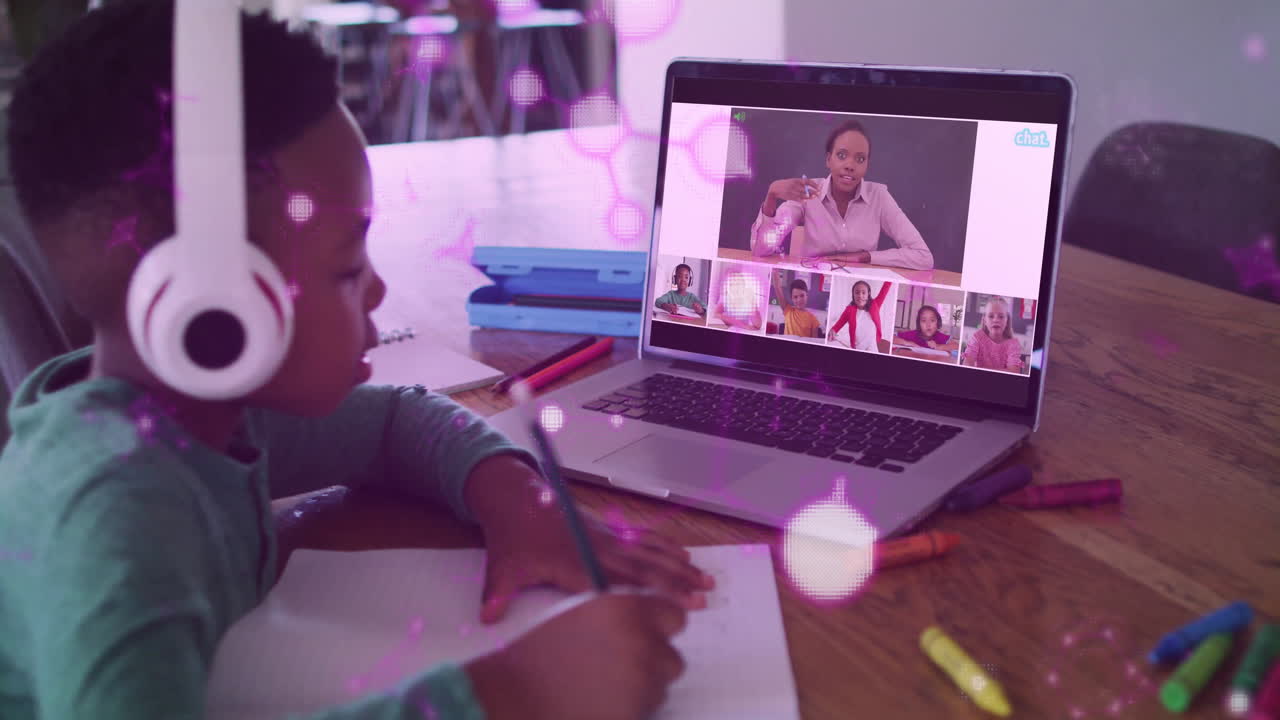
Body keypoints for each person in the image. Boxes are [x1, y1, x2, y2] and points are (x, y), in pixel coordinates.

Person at [0, 4, 711, 720]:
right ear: (215, 312)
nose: (376, 288)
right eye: (346, 268)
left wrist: (518, 505)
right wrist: (511, 694)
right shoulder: (113, 527)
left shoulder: (199, 417)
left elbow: (395, 422)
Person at [749, 119, 934, 270]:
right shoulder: (808, 192)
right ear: (828, 159)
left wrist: (863, 257)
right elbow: (761, 249)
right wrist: (771, 195)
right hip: (814, 282)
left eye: (860, 159)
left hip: (858, 285)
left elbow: (923, 257)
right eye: (842, 155)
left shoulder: (879, 196)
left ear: (867, 165)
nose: (850, 165)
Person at [961, 296, 1025, 373]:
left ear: (1007, 321)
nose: (996, 320)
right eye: (991, 316)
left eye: (1001, 317)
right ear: (984, 320)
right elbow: (967, 363)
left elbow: (1014, 372)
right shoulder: (977, 338)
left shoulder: (1013, 344)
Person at [828, 280, 892, 352]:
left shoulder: (875, 305)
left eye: (863, 293)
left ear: (868, 294)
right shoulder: (849, 310)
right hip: (857, 347)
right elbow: (838, 325)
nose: (860, 296)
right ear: (853, 295)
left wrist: (890, 279)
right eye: (857, 293)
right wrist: (833, 331)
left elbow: (885, 289)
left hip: (872, 346)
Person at [769, 270, 823, 338]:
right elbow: (777, 287)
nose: (799, 300)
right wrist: (774, 271)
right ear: (792, 298)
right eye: (795, 297)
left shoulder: (813, 319)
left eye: (802, 295)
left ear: (807, 295)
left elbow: (814, 341)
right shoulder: (787, 310)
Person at [895, 305, 959, 353]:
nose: (928, 325)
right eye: (923, 320)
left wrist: (937, 346)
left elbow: (957, 346)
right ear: (919, 324)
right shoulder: (913, 334)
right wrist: (907, 343)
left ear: (938, 322)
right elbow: (891, 337)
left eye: (932, 320)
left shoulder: (940, 336)